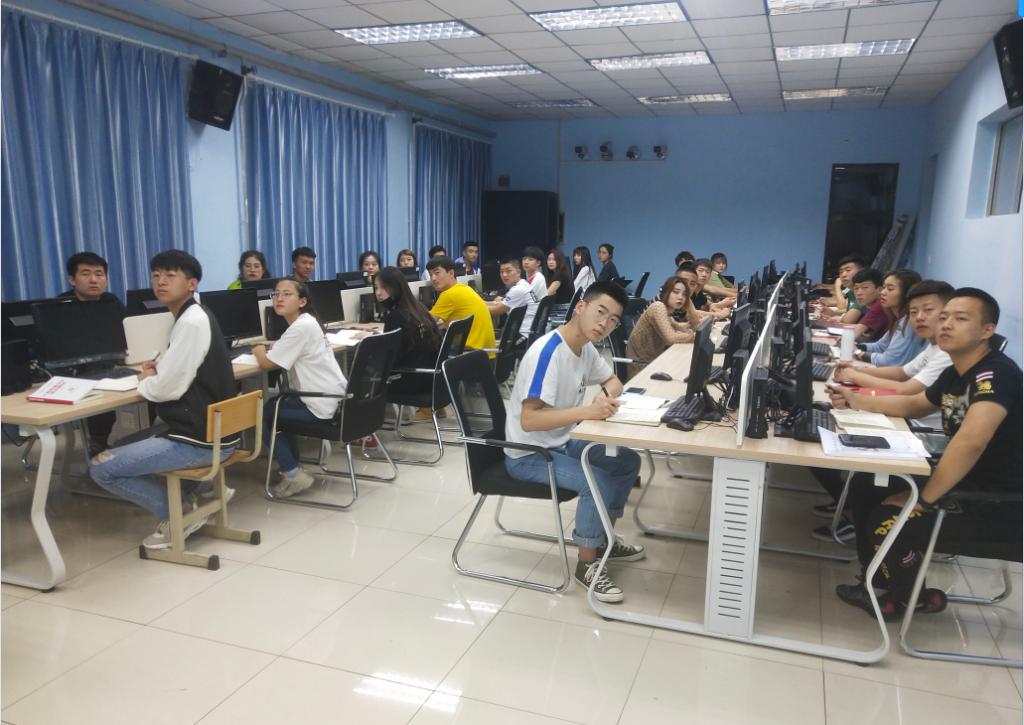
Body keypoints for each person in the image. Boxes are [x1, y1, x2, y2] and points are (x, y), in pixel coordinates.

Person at [827, 288, 1021, 620]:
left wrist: (925, 499)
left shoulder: (997, 374)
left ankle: (906, 599)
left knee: (886, 520)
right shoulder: (957, 371)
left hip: (998, 503)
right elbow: (914, 404)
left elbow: (971, 441)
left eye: (960, 319)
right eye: (944, 317)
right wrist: (854, 399)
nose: (946, 324)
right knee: (867, 483)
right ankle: (878, 581)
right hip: (966, 481)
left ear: (987, 331)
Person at [504, 281, 645, 603]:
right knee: (597, 481)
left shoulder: (586, 348)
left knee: (626, 461)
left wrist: (603, 396)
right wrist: (587, 412)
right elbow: (529, 420)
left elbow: (614, 381)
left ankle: (603, 539)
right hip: (529, 453)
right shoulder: (549, 353)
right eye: (600, 312)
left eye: (613, 320)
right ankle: (587, 563)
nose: (604, 324)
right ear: (580, 307)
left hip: (562, 441)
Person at [89, 250, 238, 550]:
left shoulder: (191, 322)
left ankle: (178, 514)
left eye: (171, 275)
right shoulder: (193, 316)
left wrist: (145, 380)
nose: (161, 282)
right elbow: (181, 370)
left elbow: (168, 389)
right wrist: (159, 369)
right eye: (156, 275)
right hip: (214, 431)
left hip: (198, 440)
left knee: (101, 468)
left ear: (192, 284)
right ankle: (193, 497)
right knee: (122, 445)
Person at [252, 279, 348, 498]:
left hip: (320, 403)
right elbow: (291, 346)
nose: (279, 298)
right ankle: (292, 466)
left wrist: (258, 350)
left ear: (302, 301)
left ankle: (293, 473)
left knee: (263, 416)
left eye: (287, 294)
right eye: (276, 294)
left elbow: (265, 364)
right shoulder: (307, 322)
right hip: (334, 397)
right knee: (274, 405)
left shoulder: (300, 328)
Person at [833, 280, 955, 395]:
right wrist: (855, 369)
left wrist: (853, 376)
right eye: (913, 312)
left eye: (928, 310)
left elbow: (905, 390)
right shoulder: (934, 347)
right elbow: (901, 372)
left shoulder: (947, 353)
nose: (919, 317)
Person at [60, 252, 123, 456]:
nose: (94, 279)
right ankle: (97, 444)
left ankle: (132, 441)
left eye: (99, 274)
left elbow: (125, 331)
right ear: (72, 279)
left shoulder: (111, 301)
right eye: (86, 274)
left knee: (150, 391)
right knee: (100, 396)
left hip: (109, 364)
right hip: (74, 370)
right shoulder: (60, 306)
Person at [374, 267, 442, 397]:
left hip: (410, 382)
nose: (378, 293)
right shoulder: (418, 308)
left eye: (384, 287)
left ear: (396, 287)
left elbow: (391, 359)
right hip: (430, 377)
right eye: (376, 288)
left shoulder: (396, 316)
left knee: (361, 372)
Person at [625, 276, 699, 378]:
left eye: (684, 294)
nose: (680, 297)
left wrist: (688, 303)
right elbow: (671, 338)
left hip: (655, 361)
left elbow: (689, 326)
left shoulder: (667, 312)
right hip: (642, 367)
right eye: (676, 292)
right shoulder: (658, 307)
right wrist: (694, 336)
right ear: (666, 293)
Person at [854, 269, 926, 367]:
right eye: (884, 287)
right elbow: (880, 346)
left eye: (890, 289)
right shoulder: (898, 319)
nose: (882, 292)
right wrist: (856, 347)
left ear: (907, 293)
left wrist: (857, 352)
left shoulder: (909, 321)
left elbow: (889, 361)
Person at [427, 255, 496, 356]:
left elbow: (427, 321)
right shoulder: (465, 288)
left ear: (451, 273)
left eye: (437, 273)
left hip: (470, 355)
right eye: (430, 274)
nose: (433, 278)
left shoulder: (448, 294)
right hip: (486, 355)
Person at [486, 258, 539, 341]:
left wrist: (474, 307)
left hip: (523, 337)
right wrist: (480, 302)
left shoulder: (517, 290)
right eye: (501, 272)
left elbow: (496, 310)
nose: (504, 275)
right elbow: (499, 304)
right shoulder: (523, 284)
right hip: (530, 333)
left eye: (508, 271)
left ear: (518, 272)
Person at [820, 255, 866, 323]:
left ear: (861, 272)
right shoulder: (849, 290)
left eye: (848, 270)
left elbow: (842, 306)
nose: (843, 275)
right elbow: (849, 308)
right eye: (841, 272)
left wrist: (837, 286)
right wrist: (834, 312)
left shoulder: (864, 293)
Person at [850, 267, 886, 341]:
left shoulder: (880, 305)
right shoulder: (870, 305)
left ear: (880, 290)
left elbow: (853, 334)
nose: (858, 293)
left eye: (865, 287)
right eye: (856, 288)